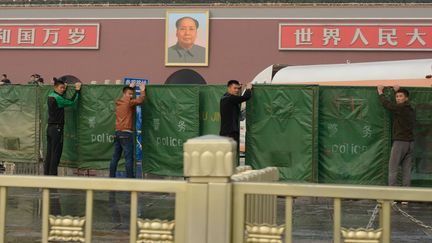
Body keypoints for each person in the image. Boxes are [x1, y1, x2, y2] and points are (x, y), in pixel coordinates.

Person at [377, 85, 415, 188]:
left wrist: (380, 92)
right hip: (410, 143)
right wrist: (397, 90)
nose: (398, 98)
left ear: (406, 98)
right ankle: (405, 198)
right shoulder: (410, 108)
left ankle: (392, 196)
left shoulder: (401, 107)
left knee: (392, 169)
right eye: (397, 96)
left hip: (400, 142)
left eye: (400, 96)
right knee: (406, 171)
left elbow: (388, 105)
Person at [45, 78, 81, 175]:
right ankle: (53, 176)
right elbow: (72, 102)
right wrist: (77, 90)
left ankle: (46, 176)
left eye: (64, 88)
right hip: (57, 129)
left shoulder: (50, 95)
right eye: (61, 88)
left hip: (50, 128)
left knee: (49, 153)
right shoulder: (58, 98)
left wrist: (64, 88)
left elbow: (61, 98)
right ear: (55, 87)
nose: (63, 89)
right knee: (56, 153)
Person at [110, 82, 146, 178]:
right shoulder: (129, 102)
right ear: (125, 93)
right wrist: (142, 90)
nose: (131, 96)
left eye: (132, 94)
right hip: (126, 133)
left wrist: (130, 87)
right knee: (129, 158)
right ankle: (130, 179)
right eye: (129, 94)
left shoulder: (119, 102)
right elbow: (140, 100)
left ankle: (111, 177)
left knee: (115, 157)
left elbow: (127, 93)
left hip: (118, 132)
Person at [220, 80, 252, 159]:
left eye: (238, 89)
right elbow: (245, 97)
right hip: (229, 133)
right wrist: (248, 88)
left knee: (230, 156)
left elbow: (238, 98)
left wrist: (241, 88)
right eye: (235, 88)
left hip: (228, 132)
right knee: (229, 156)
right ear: (229, 88)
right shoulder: (229, 98)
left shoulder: (225, 97)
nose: (237, 90)